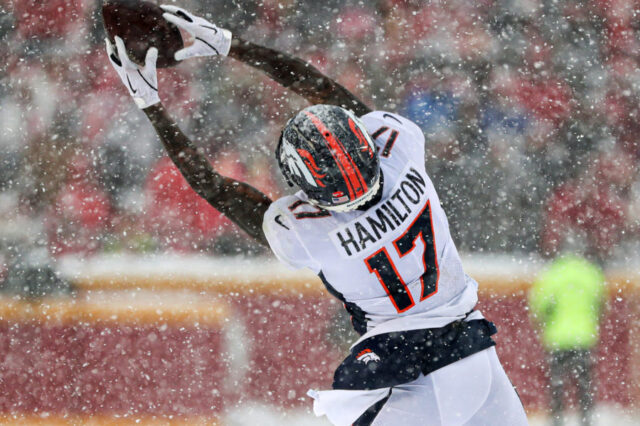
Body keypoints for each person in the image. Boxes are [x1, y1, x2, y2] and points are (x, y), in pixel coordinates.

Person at [104, 5, 528, 425]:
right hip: (472, 347)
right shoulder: (399, 147)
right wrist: (232, 44)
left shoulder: (310, 231)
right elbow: (322, 89)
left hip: (413, 365)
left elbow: (215, 188)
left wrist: (151, 104)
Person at [529, 254, 606, 426]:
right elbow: (600, 305)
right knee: (584, 388)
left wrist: (544, 324)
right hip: (584, 338)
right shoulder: (591, 274)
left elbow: (539, 306)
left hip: (557, 339)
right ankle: (586, 420)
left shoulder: (552, 275)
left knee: (557, 388)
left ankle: (557, 421)